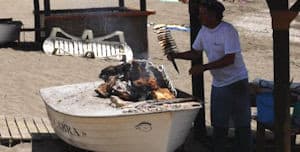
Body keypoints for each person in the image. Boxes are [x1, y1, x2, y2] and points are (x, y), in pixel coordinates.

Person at [167, 1, 252, 152]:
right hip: (219, 83)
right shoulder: (204, 31)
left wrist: (204, 67)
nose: (199, 16)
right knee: (219, 124)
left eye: (202, 13)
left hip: (237, 81)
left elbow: (229, 59)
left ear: (213, 15)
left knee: (242, 124)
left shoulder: (228, 31)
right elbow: (195, 52)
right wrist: (176, 55)